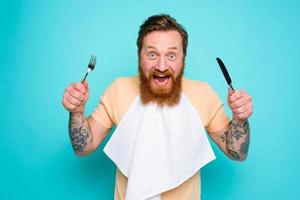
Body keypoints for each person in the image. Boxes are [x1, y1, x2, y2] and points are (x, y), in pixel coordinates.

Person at [62, 14, 253, 200]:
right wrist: (76, 111)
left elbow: (236, 153)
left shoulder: (203, 94)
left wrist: (240, 118)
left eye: (171, 55)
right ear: (139, 55)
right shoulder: (118, 89)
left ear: (183, 58)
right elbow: (83, 148)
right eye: (152, 54)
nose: (161, 65)